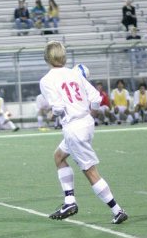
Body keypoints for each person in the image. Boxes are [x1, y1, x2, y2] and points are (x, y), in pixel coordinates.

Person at [40, 40, 127, 224]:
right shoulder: (74, 73)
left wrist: (52, 113)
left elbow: (58, 107)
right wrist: (91, 114)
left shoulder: (47, 80)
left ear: (47, 58)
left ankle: (117, 210)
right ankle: (69, 201)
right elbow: (95, 98)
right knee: (59, 156)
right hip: (86, 123)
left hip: (73, 128)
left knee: (90, 171)